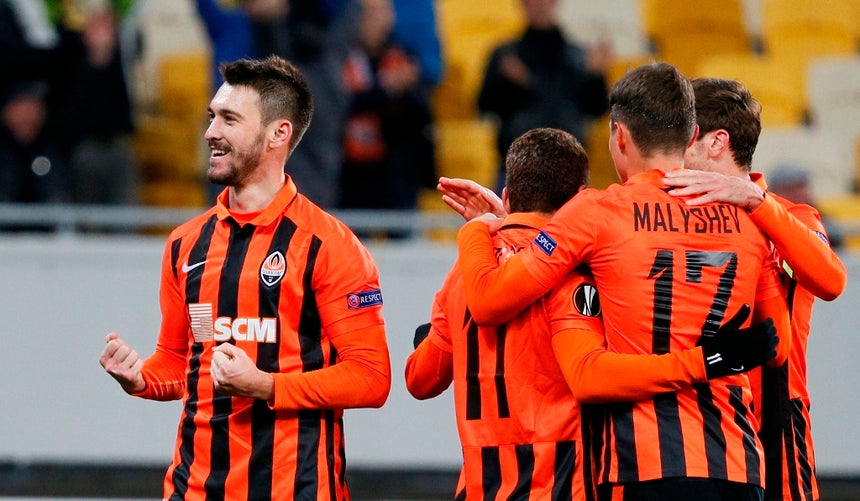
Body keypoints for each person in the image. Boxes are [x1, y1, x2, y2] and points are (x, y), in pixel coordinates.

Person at [454, 62, 791, 500]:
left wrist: (480, 230)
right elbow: (777, 346)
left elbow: (488, 301)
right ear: (692, 136)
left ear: (620, 136)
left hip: (642, 465)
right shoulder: (746, 218)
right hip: (736, 463)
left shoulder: (596, 214)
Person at [99, 55, 392, 500]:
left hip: (296, 489)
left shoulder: (330, 246)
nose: (210, 132)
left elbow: (371, 378)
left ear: (278, 133)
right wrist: (139, 378)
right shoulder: (184, 244)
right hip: (194, 488)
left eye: (229, 119)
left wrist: (267, 386)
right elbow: (180, 364)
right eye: (212, 116)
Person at [659, 78, 848, 501]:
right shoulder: (664, 219)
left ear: (715, 142)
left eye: (682, 139)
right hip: (694, 422)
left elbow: (831, 280)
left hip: (775, 422)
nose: (672, 155)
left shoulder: (793, 217)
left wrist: (756, 201)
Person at [477, 0, 611, 191]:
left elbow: (596, 109)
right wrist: (510, 85)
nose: (539, 6)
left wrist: (595, 77)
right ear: (522, 5)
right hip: (518, 166)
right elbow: (484, 105)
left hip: (568, 167)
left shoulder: (580, 57)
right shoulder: (505, 55)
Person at [337, 0, 436, 230]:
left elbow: (422, 116)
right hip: (352, 175)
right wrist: (384, 91)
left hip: (398, 175)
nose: (377, 23)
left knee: (404, 243)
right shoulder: (339, 58)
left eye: (383, 14)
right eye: (371, 15)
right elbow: (337, 107)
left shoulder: (404, 59)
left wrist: (407, 88)